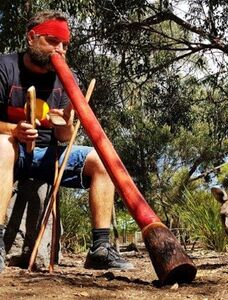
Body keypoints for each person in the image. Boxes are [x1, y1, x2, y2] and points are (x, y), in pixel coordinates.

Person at [0, 10, 133, 272]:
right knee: (3, 147)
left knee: (103, 161)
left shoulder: (66, 77)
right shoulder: (5, 67)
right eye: (52, 41)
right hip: (10, 152)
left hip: (47, 155)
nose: (60, 49)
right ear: (31, 37)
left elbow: (64, 138)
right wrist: (14, 131)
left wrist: (68, 122)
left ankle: (100, 248)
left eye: (65, 44)